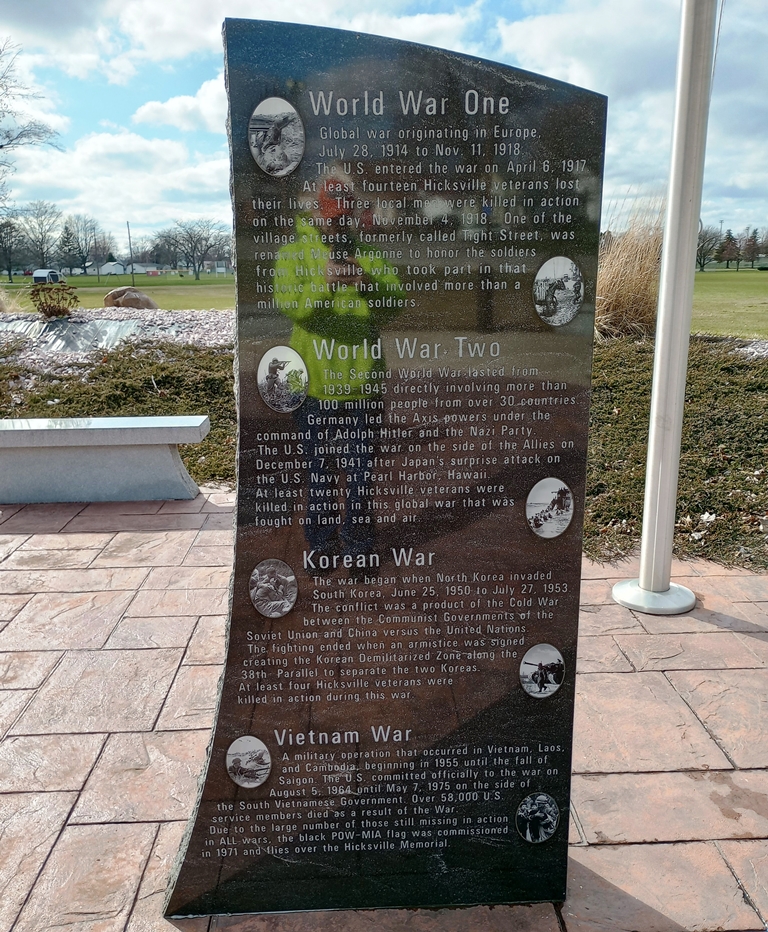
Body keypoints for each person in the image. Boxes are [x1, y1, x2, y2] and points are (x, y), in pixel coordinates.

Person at [275, 179, 404, 563]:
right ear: (313, 212)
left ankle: (360, 548)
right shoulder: (292, 254)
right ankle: (321, 545)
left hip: (363, 385)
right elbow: (293, 307)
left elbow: (395, 305)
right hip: (312, 386)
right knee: (320, 473)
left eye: (344, 216)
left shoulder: (368, 254)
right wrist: (324, 283)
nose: (337, 224)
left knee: (361, 477)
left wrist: (367, 283)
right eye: (330, 215)